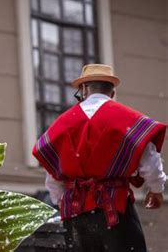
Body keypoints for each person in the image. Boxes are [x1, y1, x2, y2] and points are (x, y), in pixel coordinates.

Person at [33, 64, 166, 252]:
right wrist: (156, 189)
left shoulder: (62, 123)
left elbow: (53, 174)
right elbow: (150, 162)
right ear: (111, 92)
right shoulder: (129, 119)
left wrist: (61, 200)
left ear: (84, 88)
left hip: (76, 214)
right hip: (115, 209)